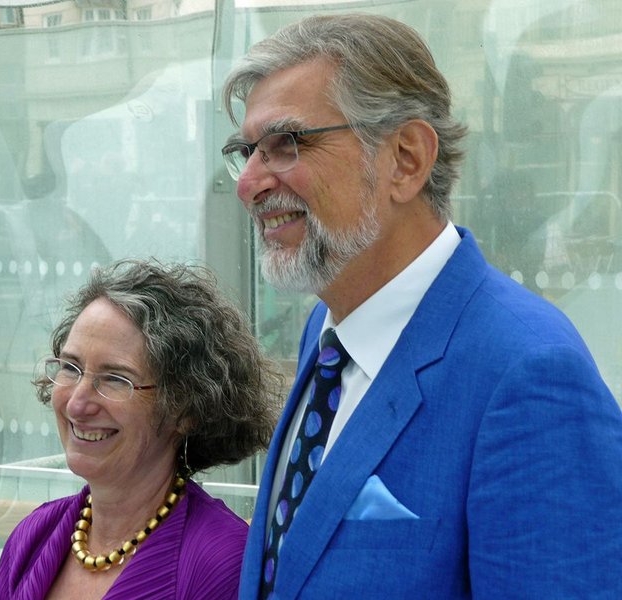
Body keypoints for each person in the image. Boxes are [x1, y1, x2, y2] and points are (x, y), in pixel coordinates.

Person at [220, 13, 622, 599]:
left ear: (406, 158)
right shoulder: (327, 333)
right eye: (245, 151)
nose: (248, 183)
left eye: (286, 144)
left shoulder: (529, 375)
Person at [0, 260, 281, 599]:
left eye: (115, 378)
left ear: (185, 407)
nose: (77, 405)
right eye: (71, 368)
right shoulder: (32, 538)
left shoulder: (221, 563)